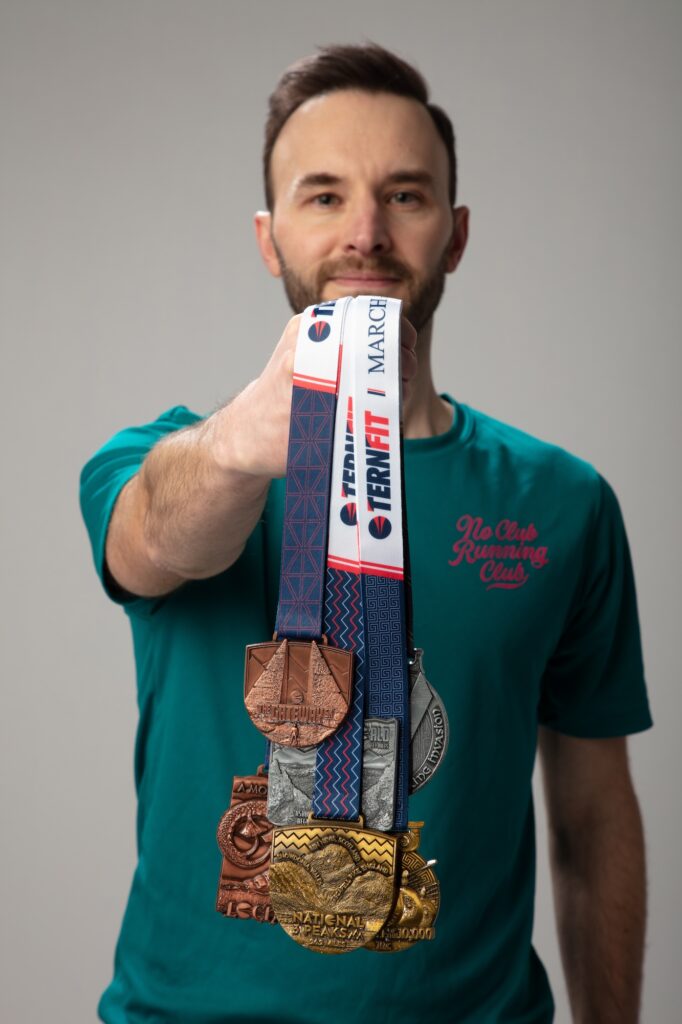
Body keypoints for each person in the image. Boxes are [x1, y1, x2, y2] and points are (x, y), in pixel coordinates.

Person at [80, 43, 653, 1024]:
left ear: (455, 233)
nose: (366, 233)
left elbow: (592, 815)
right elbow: (152, 543)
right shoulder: (155, 461)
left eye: (405, 195)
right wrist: (243, 445)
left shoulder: (561, 502)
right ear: (268, 238)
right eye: (323, 196)